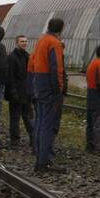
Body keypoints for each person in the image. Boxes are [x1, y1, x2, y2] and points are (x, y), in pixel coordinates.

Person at [31, 18, 66, 173]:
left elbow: (33, 63)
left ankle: (39, 156)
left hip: (38, 83)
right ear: (61, 29)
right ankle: (44, 162)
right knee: (48, 125)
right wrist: (59, 89)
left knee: (40, 122)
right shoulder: (54, 43)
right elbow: (56, 68)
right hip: (49, 86)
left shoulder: (41, 40)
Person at [5, 35, 34, 148]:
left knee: (28, 116)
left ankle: (33, 137)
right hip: (16, 92)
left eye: (26, 41)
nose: (24, 43)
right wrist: (13, 92)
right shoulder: (12, 57)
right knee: (15, 117)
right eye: (22, 41)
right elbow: (10, 76)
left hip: (26, 92)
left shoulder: (27, 56)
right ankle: (15, 140)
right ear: (17, 43)